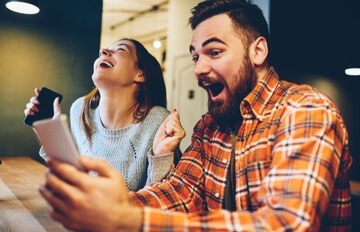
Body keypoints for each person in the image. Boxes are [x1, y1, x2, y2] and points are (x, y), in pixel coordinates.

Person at [39, 0, 353, 231]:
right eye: (195, 56)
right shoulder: (209, 127)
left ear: (258, 51)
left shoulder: (305, 109)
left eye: (214, 52)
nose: (199, 69)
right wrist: (110, 206)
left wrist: (124, 218)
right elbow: (179, 191)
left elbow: (285, 223)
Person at [24, 38, 183, 191]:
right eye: (104, 51)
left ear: (140, 74)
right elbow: (73, 179)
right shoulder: (80, 110)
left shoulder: (158, 121)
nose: (103, 51)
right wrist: (51, 135)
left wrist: (161, 156)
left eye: (120, 49)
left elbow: (161, 197)